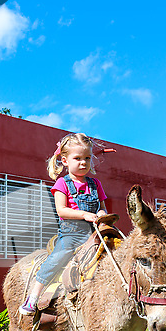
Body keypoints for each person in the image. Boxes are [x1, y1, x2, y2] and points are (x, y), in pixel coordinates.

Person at [19, 133, 107, 315]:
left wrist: (101, 215)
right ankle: (33, 296)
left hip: (93, 233)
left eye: (87, 158)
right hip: (71, 235)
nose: (83, 162)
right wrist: (84, 214)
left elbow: (102, 207)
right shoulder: (62, 183)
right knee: (59, 257)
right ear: (65, 160)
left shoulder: (95, 184)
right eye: (78, 158)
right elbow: (61, 210)